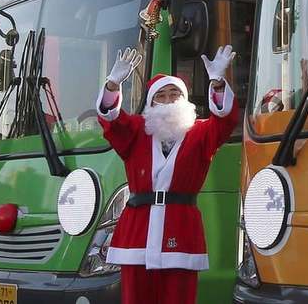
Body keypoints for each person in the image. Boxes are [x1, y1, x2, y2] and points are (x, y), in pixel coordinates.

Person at [97, 45, 239, 304]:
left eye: (175, 94)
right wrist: (111, 87)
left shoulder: (200, 133)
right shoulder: (138, 131)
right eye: (161, 96)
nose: (169, 99)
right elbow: (111, 121)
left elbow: (225, 121)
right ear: (151, 103)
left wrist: (218, 83)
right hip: (137, 232)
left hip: (181, 229)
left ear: (185, 101)